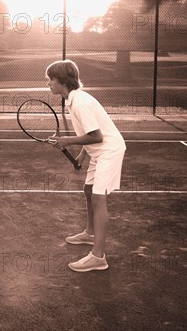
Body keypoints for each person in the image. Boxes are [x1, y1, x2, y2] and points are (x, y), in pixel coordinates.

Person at [46, 59, 126, 272]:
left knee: (99, 198)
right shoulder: (74, 100)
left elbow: (97, 136)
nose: (48, 84)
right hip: (98, 151)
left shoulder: (79, 102)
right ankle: (90, 234)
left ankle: (98, 257)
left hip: (109, 150)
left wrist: (66, 141)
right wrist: (81, 155)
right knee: (89, 190)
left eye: (51, 79)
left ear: (62, 80)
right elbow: (89, 131)